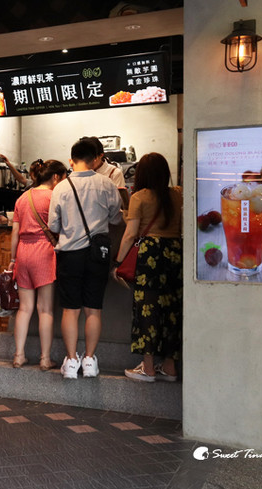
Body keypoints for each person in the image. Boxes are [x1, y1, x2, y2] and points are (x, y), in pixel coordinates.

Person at [48, 139, 123, 380]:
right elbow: (116, 219)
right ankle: (89, 360)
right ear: (96, 159)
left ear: (71, 160)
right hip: (97, 255)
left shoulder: (61, 188)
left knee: (70, 310)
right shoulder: (106, 184)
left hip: (70, 254)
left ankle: (71, 361)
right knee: (93, 309)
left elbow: (53, 225)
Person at [110, 153, 182, 383]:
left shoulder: (139, 197)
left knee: (147, 309)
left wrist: (118, 262)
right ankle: (170, 367)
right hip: (175, 253)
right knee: (172, 310)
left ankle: (148, 368)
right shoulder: (178, 194)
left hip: (150, 254)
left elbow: (130, 234)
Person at [7, 159, 68, 370]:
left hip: (23, 252)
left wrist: (13, 259)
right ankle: (45, 359)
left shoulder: (22, 198)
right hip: (44, 252)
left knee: (24, 309)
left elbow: (15, 232)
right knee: (45, 309)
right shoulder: (54, 197)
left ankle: (18, 356)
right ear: (56, 177)